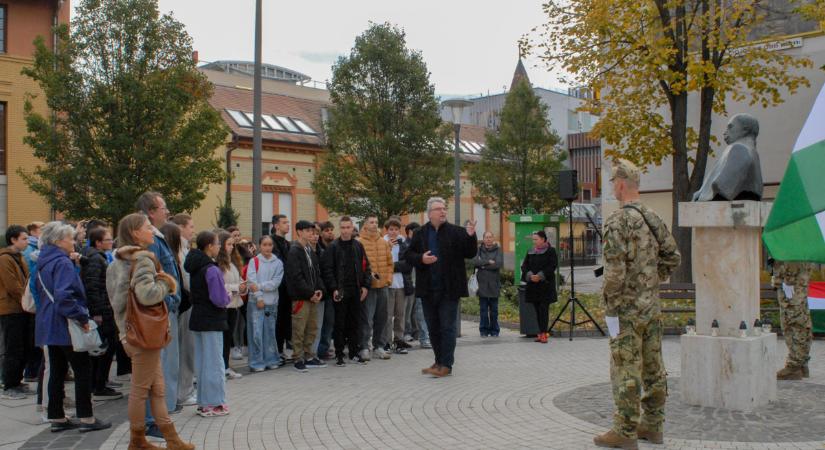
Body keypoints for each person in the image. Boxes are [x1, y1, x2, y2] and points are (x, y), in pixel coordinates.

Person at [594, 159, 680, 449]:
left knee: (625, 366)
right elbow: (673, 257)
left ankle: (625, 430)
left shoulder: (618, 220)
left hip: (627, 310)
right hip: (651, 307)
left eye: (612, 184)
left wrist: (610, 305)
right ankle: (653, 426)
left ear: (619, 184)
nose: (613, 189)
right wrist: (651, 280)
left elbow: (614, 272)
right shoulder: (653, 217)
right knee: (654, 366)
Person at [107, 214, 194, 450]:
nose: (153, 231)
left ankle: (170, 437)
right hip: (144, 334)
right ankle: (138, 440)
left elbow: (116, 302)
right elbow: (147, 295)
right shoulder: (143, 259)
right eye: (148, 228)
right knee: (141, 389)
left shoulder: (117, 262)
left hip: (131, 332)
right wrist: (167, 282)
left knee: (157, 388)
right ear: (135, 233)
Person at [34, 221, 110, 432]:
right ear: (59, 241)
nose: (74, 242)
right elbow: (65, 296)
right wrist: (82, 319)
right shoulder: (63, 263)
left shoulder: (43, 261)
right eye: (70, 238)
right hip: (66, 324)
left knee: (57, 370)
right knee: (82, 370)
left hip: (48, 323)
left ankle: (56, 416)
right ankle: (87, 417)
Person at [405, 197, 477, 378]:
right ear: (429, 213)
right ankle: (438, 361)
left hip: (449, 289)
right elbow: (408, 255)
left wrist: (471, 235)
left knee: (447, 327)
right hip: (428, 289)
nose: (443, 211)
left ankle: (446, 364)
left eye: (444, 208)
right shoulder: (420, 233)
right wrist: (421, 258)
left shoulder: (457, 232)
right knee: (433, 327)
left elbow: (470, 252)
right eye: (439, 209)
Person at [135, 192, 182, 416]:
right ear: (151, 212)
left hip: (165, 308)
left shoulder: (157, 236)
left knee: (167, 365)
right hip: (159, 311)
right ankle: (156, 416)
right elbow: (154, 277)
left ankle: (164, 410)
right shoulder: (149, 241)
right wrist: (170, 297)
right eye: (163, 207)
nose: (167, 211)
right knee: (160, 367)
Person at [184, 230, 231, 417]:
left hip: (198, 317)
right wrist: (228, 295)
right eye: (217, 243)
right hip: (212, 319)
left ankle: (204, 402)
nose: (219, 246)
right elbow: (219, 298)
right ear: (209, 246)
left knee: (202, 362)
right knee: (214, 362)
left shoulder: (195, 266)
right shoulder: (211, 269)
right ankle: (215, 402)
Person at [322, 217, 371, 367]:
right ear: (340, 229)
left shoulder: (358, 246)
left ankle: (354, 353)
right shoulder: (333, 247)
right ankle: (339, 354)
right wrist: (334, 288)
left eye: (347, 227)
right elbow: (327, 270)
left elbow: (366, 267)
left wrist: (365, 286)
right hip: (340, 291)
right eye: (342, 227)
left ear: (352, 228)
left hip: (356, 290)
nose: (345, 230)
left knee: (355, 323)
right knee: (339, 324)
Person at [80, 227, 122, 400]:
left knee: (102, 347)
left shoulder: (94, 257)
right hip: (102, 310)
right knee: (105, 347)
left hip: (103, 308)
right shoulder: (96, 259)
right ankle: (99, 385)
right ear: (98, 242)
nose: (111, 242)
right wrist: (97, 312)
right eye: (108, 240)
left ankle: (98, 382)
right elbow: (93, 286)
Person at [286, 220, 326, 372]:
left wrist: (320, 289)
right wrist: (310, 293)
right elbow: (296, 277)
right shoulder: (294, 250)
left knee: (312, 327)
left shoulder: (309, 249)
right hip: (301, 298)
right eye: (308, 231)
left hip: (312, 296)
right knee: (299, 328)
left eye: (312, 231)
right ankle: (298, 358)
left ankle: (309, 356)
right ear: (300, 232)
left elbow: (316, 272)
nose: (311, 233)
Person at [0, 225, 33, 399]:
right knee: (13, 347)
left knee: (23, 346)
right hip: (11, 309)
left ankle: (17, 380)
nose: (27, 241)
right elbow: (12, 285)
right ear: (13, 240)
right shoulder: (5, 259)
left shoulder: (19, 257)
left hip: (22, 308)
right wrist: (26, 299)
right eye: (24, 238)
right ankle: (9, 383)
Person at [357, 215, 393, 361]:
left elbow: (390, 264)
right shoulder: (359, 243)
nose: (374, 225)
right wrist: (367, 278)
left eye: (376, 222)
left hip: (383, 286)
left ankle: (379, 346)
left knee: (382, 318)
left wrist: (388, 279)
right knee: (367, 319)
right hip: (369, 287)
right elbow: (358, 265)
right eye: (371, 222)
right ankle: (364, 347)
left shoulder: (383, 243)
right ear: (365, 225)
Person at [246, 235, 284, 372]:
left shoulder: (278, 263)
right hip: (255, 302)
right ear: (260, 246)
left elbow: (275, 283)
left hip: (272, 302)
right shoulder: (254, 261)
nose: (268, 247)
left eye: (270, 245)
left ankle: (271, 359)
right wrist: (259, 297)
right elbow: (251, 281)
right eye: (265, 245)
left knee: (270, 332)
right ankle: (256, 362)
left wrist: (260, 286)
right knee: (255, 334)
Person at [171, 213, 197, 409]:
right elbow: (187, 279)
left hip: (186, 302)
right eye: (190, 227)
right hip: (186, 303)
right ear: (180, 228)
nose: (193, 230)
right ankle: (183, 391)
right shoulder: (179, 248)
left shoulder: (183, 247)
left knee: (186, 348)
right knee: (185, 348)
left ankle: (184, 388)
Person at [773, 260, 815, 380]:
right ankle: (801, 363)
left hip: (791, 285)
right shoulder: (804, 243)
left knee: (793, 325)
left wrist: (788, 280)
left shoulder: (791, 243)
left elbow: (790, 255)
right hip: (798, 284)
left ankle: (794, 366)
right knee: (802, 323)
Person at [215, 231, 245, 380]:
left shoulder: (232, 262)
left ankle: (226, 366)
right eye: (228, 244)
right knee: (221, 339)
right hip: (223, 307)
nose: (232, 247)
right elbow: (219, 286)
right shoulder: (217, 264)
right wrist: (235, 288)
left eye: (233, 244)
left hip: (234, 305)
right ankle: (221, 368)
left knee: (227, 339)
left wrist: (242, 286)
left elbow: (238, 280)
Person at [521, 231, 558, 344]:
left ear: (543, 239)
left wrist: (540, 276)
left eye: (536, 239)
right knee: (537, 310)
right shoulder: (531, 251)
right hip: (533, 286)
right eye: (533, 239)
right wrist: (530, 275)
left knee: (543, 309)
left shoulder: (551, 251)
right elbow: (524, 266)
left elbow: (552, 266)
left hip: (545, 286)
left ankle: (544, 334)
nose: (534, 241)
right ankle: (540, 333)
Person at [384, 218, 413, 354]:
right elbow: (381, 264)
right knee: (387, 316)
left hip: (401, 284)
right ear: (387, 230)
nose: (394, 232)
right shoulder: (383, 243)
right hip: (388, 284)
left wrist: (392, 267)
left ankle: (399, 341)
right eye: (391, 229)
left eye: (396, 229)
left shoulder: (404, 244)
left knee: (400, 315)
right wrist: (393, 267)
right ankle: (386, 342)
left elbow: (408, 264)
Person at [404, 223, 430, 349]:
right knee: (407, 311)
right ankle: (407, 332)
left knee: (420, 312)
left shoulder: (422, 244)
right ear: (409, 232)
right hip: (408, 283)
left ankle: (423, 337)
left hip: (420, 283)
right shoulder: (405, 245)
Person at [473, 231, 504, 338]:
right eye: (486, 237)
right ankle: (483, 330)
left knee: (494, 310)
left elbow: (498, 264)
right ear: (483, 239)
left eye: (490, 237)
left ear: (493, 238)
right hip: (482, 284)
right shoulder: (478, 250)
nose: (488, 239)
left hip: (494, 284)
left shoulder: (498, 250)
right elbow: (475, 262)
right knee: (483, 310)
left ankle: (495, 330)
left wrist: (483, 265)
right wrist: (488, 262)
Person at [270, 214, 292, 358]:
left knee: (286, 319)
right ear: (276, 225)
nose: (288, 225)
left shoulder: (288, 243)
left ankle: (284, 348)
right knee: (277, 320)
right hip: (276, 287)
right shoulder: (271, 242)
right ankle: (277, 349)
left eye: (288, 222)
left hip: (287, 287)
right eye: (284, 222)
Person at [315, 221, 336, 359]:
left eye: (331, 230)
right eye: (327, 230)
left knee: (330, 321)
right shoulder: (318, 249)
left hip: (333, 289)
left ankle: (326, 346)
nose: (330, 232)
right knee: (322, 322)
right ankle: (321, 349)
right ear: (321, 233)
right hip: (323, 290)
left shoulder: (334, 246)